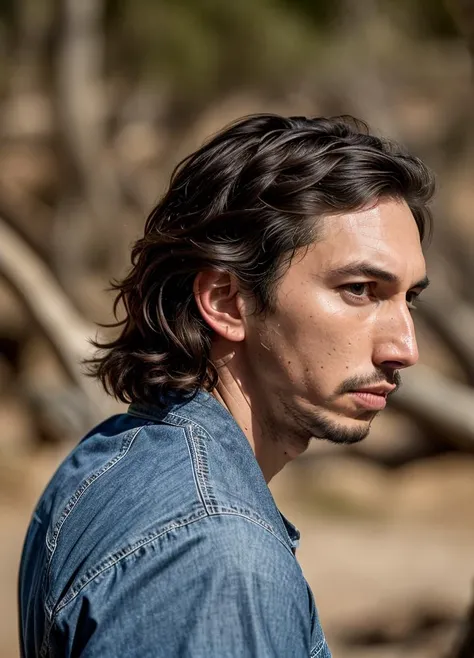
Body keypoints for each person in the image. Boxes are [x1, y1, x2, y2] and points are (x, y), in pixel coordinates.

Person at [18, 114, 434, 657]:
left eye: (410, 298)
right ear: (224, 300)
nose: (405, 346)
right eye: (359, 289)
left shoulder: (109, 458)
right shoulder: (216, 553)